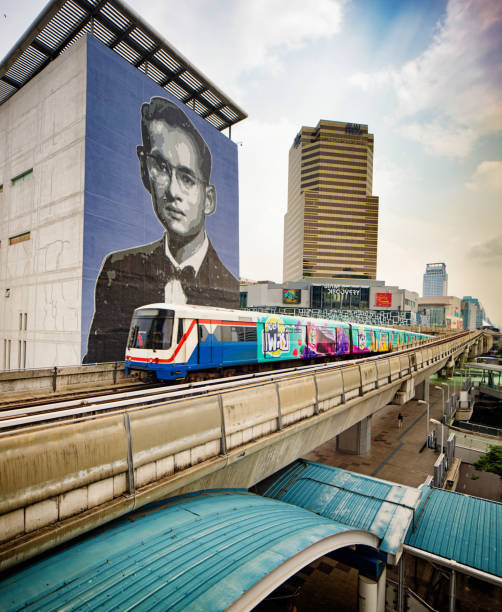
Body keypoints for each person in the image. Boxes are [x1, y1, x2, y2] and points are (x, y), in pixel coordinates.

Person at [84, 97, 239, 363]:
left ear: (209, 199)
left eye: (187, 179)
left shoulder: (231, 289)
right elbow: (98, 359)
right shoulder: (117, 269)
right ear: (145, 170)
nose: (172, 192)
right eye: (162, 168)